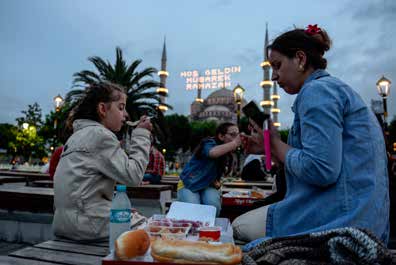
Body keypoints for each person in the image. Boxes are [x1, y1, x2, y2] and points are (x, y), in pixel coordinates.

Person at [233, 24, 389, 244]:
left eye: (277, 66)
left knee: (237, 227)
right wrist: (270, 149)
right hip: (366, 216)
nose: (274, 77)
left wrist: (276, 143)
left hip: (343, 218)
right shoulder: (334, 89)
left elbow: (321, 170)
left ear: (300, 59)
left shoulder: (317, 92)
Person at [52, 81, 152, 241]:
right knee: (155, 230)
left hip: (66, 224)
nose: (125, 114)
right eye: (121, 107)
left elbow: (85, 187)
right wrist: (141, 135)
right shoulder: (101, 136)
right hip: (89, 225)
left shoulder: (76, 137)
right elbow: (133, 176)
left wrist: (115, 207)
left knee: (136, 218)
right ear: (103, 109)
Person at [177, 122, 241, 217]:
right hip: (189, 184)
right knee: (193, 209)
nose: (236, 138)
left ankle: (209, 230)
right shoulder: (209, 143)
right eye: (232, 135)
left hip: (207, 186)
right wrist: (235, 143)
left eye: (238, 135)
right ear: (221, 136)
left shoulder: (227, 153)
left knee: (213, 207)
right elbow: (212, 153)